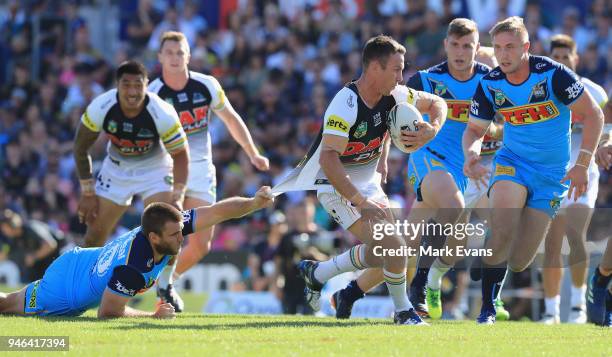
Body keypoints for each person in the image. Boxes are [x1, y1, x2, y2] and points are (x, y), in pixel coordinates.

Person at [328, 18, 500, 320]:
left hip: (465, 167)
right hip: (428, 160)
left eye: (468, 46)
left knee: (408, 245)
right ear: (445, 45)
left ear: (477, 48)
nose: (461, 52)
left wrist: (491, 133)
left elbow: (502, 123)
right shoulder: (425, 80)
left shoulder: (489, 81)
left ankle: (350, 292)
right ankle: (419, 286)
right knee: (453, 206)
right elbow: (390, 117)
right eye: (455, 45)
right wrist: (383, 157)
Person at [276, 35, 447, 325]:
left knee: (394, 251)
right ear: (374, 69)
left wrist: (432, 129)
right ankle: (403, 311)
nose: (401, 77)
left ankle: (318, 273)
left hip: (368, 185)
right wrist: (360, 201)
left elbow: (437, 103)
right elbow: (329, 159)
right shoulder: (345, 104)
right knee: (395, 248)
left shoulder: (395, 94)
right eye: (396, 69)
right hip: (335, 186)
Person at [463, 16, 604, 324]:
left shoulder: (553, 75)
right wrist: (471, 154)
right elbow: (474, 130)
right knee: (502, 226)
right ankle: (488, 309)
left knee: (519, 260)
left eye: (510, 47)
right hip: (512, 162)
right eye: (498, 48)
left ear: (526, 47)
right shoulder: (490, 83)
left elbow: (594, 115)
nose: (503, 54)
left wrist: (582, 164)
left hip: (552, 176)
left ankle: (489, 255)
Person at [0, 187, 274, 318]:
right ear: (154, 238)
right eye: (175, 235)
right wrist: (152, 317)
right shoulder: (134, 268)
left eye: (182, 230)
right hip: (64, 290)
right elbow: (107, 313)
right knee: (7, 307)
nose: (183, 237)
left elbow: (217, 212)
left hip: (78, 261)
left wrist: (253, 203)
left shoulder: (167, 226)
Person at [148, 31, 269, 312]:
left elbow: (231, 118)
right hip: (167, 170)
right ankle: (138, 286)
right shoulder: (152, 93)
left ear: (189, 55)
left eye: (180, 52)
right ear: (160, 57)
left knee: (202, 245)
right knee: (169, 234)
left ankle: (167, 282)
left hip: (202, 170)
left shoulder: (206, 85)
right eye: (169, 53)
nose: (175, 58)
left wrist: (252, 153)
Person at [73, 60, 189, 248]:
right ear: (117, 85)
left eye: (138, 85)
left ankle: (164, 278)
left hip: (155, 170)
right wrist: (87, 192)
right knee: (93, 238)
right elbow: (80, 147)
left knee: (166, 235)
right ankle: (90, 278)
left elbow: (181, 155)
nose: (133, 92)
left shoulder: (162, 113)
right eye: (126, 85)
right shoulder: (101, 106)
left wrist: (177, 196)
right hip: (116, 170)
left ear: (147, 85)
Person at [539, 34, 609, 325]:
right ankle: (551, 311)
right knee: (553, 243)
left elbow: (607, 128)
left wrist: (605, 144)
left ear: (575, 60)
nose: (561, 62)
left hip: (583, 169)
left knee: (576, 236)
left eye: (566, 57)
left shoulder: (593, 91)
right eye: (555, 57)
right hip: (551, 172)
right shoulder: (538, 88)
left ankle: (578, 307)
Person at [0, 209, 61, 282]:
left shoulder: (31, 227)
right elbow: (4, 255)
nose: (3, 231)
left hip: (62, 255)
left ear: (12, 224)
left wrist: (33, 257)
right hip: (43, 265)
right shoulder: (13, 239)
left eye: (4, 228)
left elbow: (51, 245)